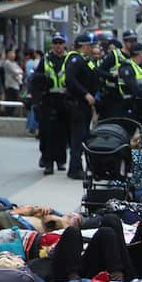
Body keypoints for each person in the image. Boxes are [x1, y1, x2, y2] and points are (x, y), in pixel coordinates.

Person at [63, 32, 101, 180]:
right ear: (84, 46)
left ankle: (82, 167)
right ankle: (75, 168)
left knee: (84, 136)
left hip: (84, 105)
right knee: (78, 138)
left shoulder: (85, 60)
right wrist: (85, 94)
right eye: (91, 46)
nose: (92, 48)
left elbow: (95, 73)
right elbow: (70, 80)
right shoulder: (75, 59)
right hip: (77, 104)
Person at [35, 34, 69, 176]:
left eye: (60, 43)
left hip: (64, 99)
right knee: (47, 133)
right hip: (48, 99)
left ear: (64, 44)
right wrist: (43, 79)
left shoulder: (69, 59)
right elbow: (36, 78)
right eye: (55, 43)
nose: (57, 45)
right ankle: (48, 163)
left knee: (62, 133)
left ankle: (60, 160)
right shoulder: (46, 59)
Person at [117, 42, 142, 133]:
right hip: (130, 105)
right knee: (129, 134)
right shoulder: (126, 68)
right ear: (138, 54)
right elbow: (134, 88)